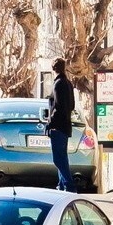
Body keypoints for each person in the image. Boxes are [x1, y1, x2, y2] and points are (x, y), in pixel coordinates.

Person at [46, 64, 78, 192]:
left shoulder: (58, 84)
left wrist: (50, 123)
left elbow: (57, 106)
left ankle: (69, 185)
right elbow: (71, 105)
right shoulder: (68, 83)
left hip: (58, 125)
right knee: (62, 157)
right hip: (66, 125)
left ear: (53, 69)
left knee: (58, 159)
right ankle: (61, 185)